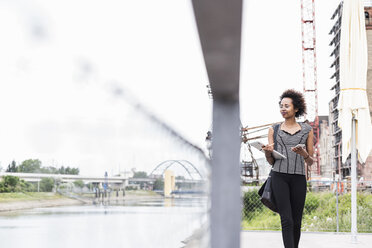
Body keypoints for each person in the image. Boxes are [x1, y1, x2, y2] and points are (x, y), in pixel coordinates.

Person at [262, 89, 314, 248]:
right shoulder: (274, 129)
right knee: (287, 220)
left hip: (299, 178)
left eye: (287, 106)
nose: (283, 109)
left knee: (297, 221)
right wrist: (268, 153)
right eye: (281, 106)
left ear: (296, 108)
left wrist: (304, 153)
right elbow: (271, 161)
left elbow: (311, 162)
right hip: (279, 177)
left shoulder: (307, 130)